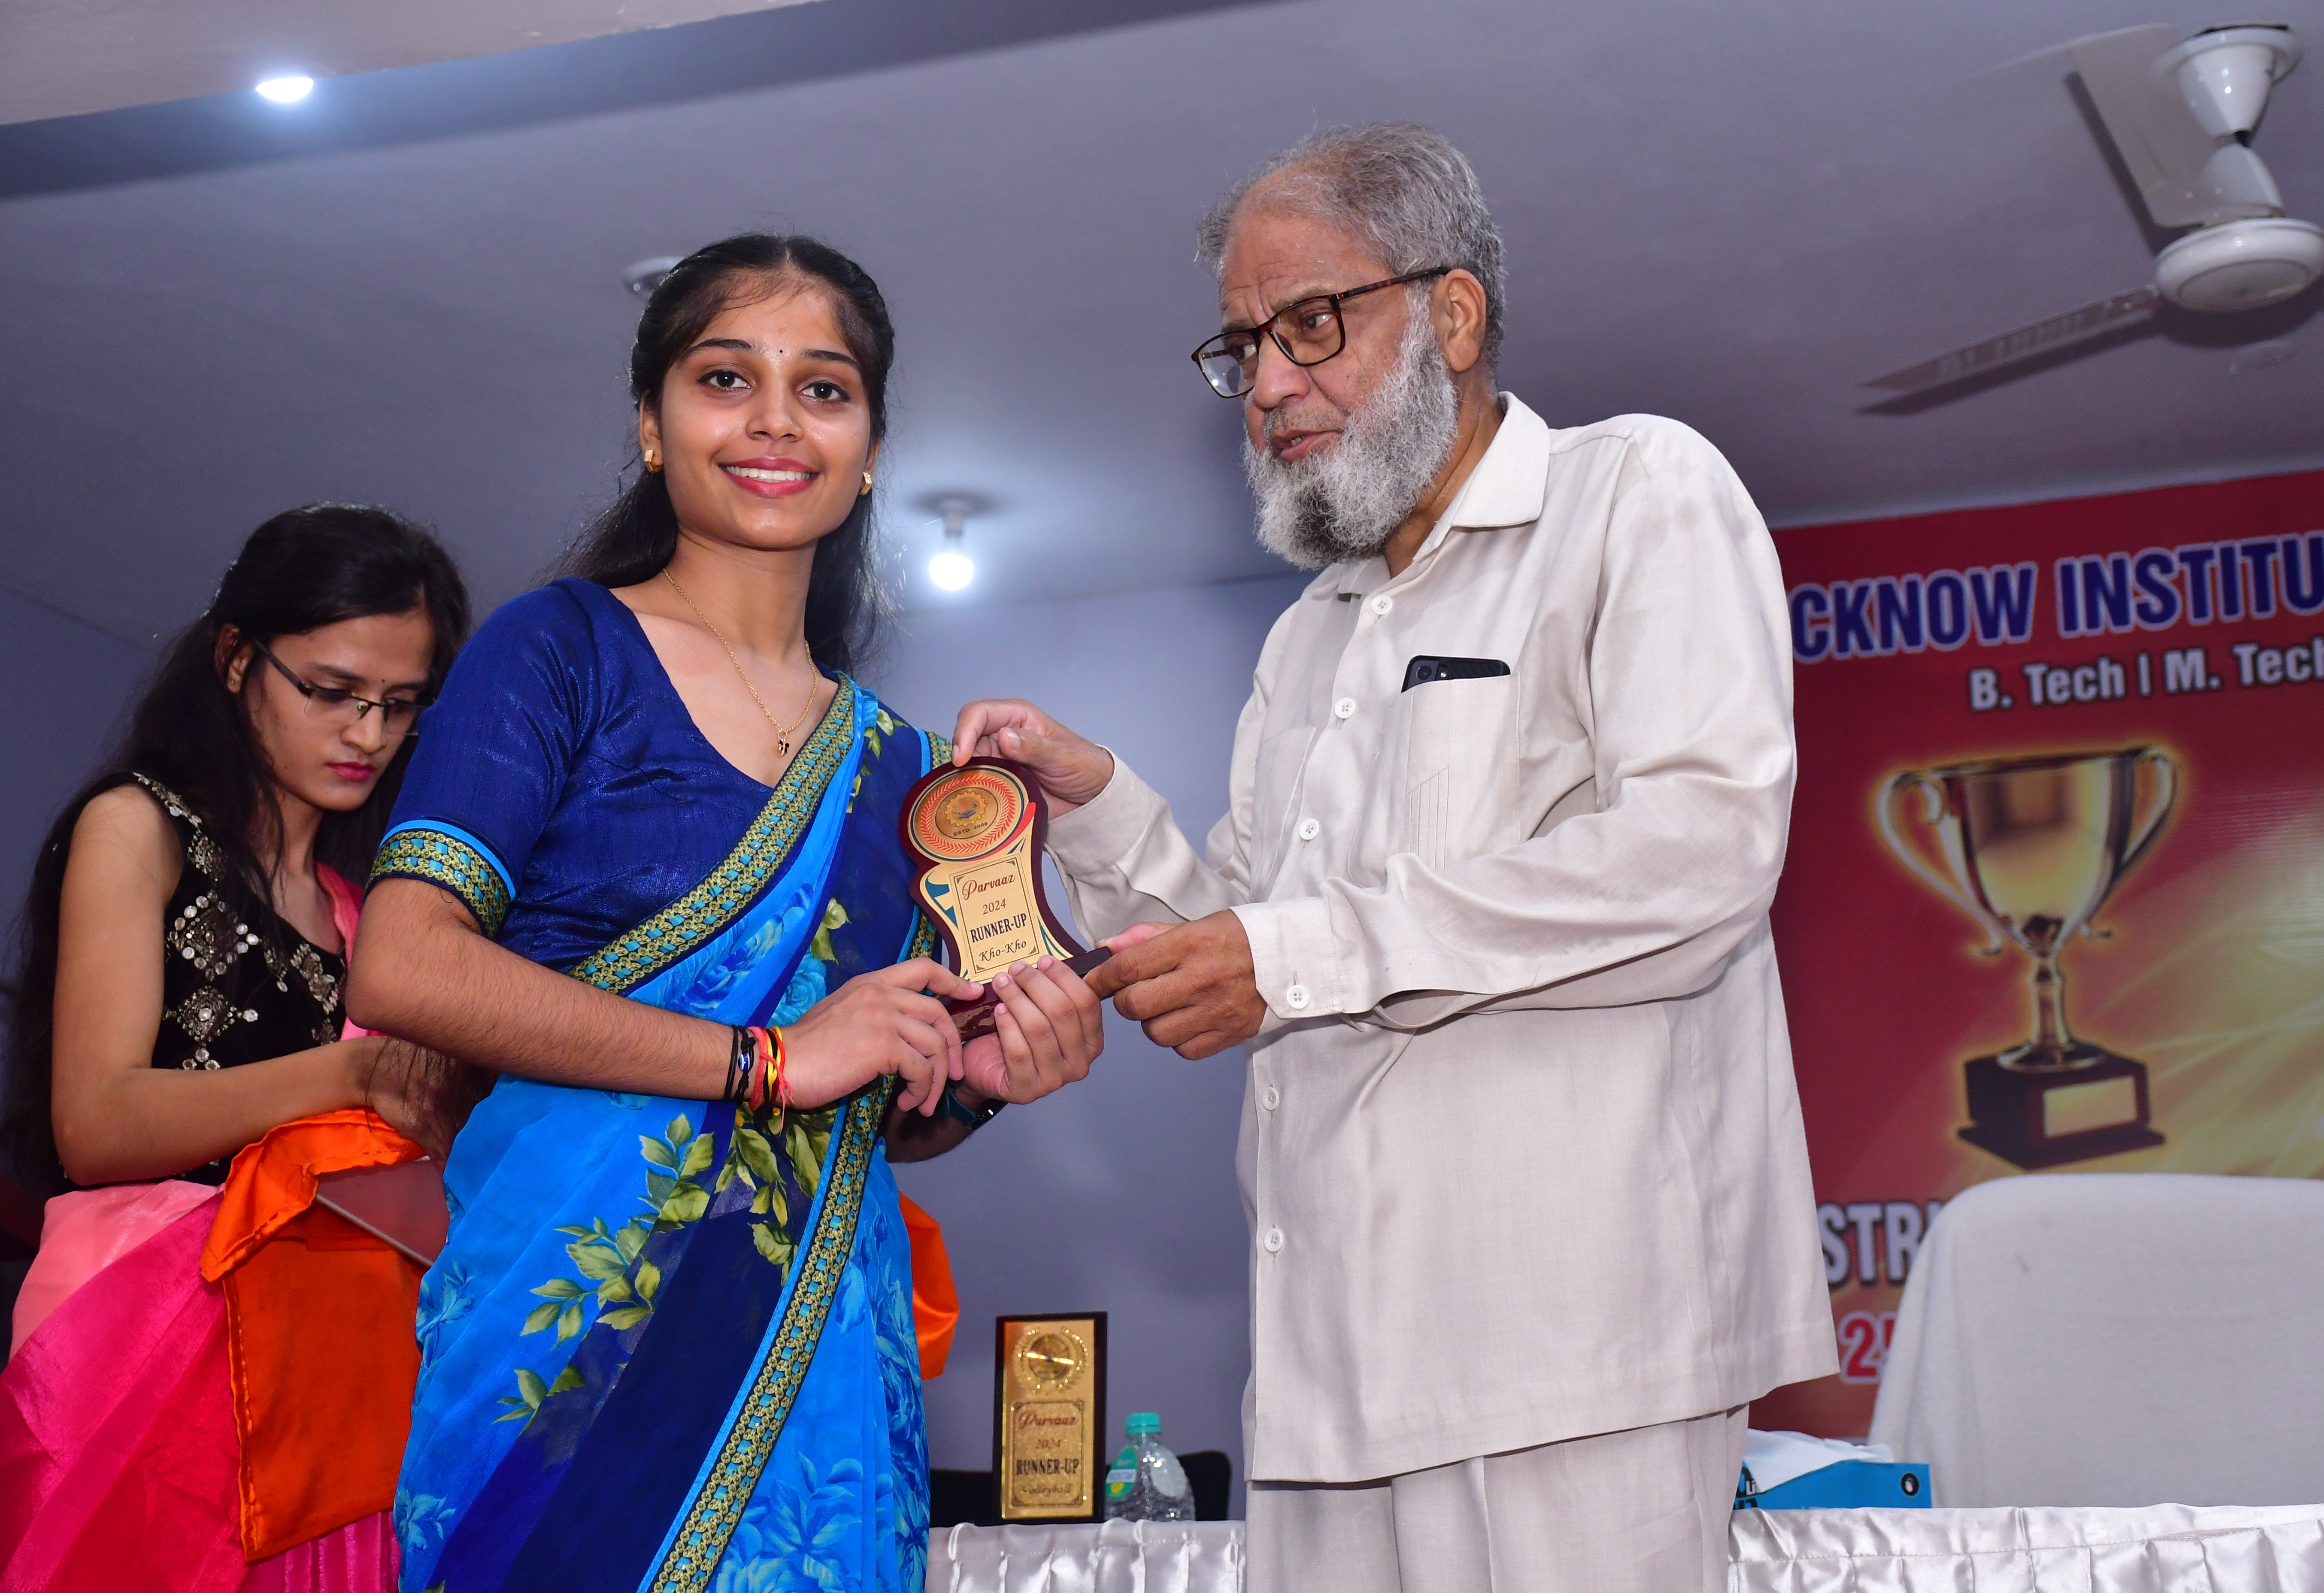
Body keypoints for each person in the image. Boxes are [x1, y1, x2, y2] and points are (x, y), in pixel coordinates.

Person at [955, 124, 1835, 1592]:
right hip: (1324, 1376)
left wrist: (1288, 954)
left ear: (1452, 312)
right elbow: (1251, 943)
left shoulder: (1632, 493)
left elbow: (1699, 854)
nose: (1272, 385)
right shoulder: (1310, 634)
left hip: (1575, 1360)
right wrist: (1095, 798)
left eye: (1311, 325)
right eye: (1242, 348)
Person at [345, 233, 1105, 1593]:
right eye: (723, 377)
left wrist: (974, 1080)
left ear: (870, 446)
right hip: (562, 1347)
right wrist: (771, 1060)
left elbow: (873, 1099)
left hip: (811, 1369)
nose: (772, 421)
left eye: (824, 389)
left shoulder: (897, 766)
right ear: (652, 424)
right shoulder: (559, 648)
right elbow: (405, 966)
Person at [0, 503, 473, 1589]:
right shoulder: (140, 825)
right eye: (331, 690)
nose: (367, 732)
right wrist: (354, 1073)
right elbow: (96, 1122)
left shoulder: (369, 916)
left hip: (317, 1378)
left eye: (400, 705)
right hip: (133, 1349)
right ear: (234, 658)